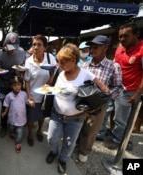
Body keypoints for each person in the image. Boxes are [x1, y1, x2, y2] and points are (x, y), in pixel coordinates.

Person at [45, 43, 109, 174]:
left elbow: (102, 87)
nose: (59, 64)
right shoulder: (59, 71)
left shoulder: (85, 74)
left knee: (69, 143)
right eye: (58, 61)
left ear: (73, 61)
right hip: (56, 114)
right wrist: (47, 89)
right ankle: (53, 151)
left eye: (63, 62)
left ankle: (63, 160)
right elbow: (50, 85)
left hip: (75, 118)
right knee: (51, 138)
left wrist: (103, 92)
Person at [77, 35, 123, 163]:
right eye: (90, 47)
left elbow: (118, 87)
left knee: (91, 130)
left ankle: (84, 151)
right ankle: (76, 144)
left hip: (99, 104)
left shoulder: (114, 66)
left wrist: (107, 95)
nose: (91, 50)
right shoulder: (85, 65)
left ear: (105, 47)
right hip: (83, 100)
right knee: (78, 124)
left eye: (95, 47)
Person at [105, 23, 143, 150]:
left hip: (129, 91)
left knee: (121, 118)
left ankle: (119, 140)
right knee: (109, 112)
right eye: (120, 36)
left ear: (136, 34)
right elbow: (114, 66)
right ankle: (113, 133)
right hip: (114, 87)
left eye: (125, 36)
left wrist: (137, 93)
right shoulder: (120, 48)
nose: (121, 39)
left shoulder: (142, 49)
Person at [24, 34, 57, 147]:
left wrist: (51, 80)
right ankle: (29, 134)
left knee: (42, 115)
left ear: (45, 47)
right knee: (31, 117)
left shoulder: (50, 58)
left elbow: (54, 72)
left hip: (46, 94)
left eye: (39, 45)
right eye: (34, 45)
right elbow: (27, 80)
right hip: (33, 94)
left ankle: (39, 130)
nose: (36, 47)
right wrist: (29, 96)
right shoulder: (28, 61)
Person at [0, 32, 26, 138]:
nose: (13, 50)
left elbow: (23, 66)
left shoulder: (21, 52)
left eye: (15, 47)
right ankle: (4, 125)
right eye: (10, 47)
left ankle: (18, 123)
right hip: (3, 82)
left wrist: (21, 72)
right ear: (4, 44)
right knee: (5, 106)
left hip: (16, 81)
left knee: (18, 104)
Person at [1, 76, 32, 153]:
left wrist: (31, 103)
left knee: (19, 131)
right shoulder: (9, 95)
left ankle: (18, 143)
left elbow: (27, 102)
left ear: (21, 85)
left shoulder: (24, 94)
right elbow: (6, 105)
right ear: (11, 86)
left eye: (19, 85)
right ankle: (12, 133)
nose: (17, 87)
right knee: (11, 128)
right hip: (12, 117)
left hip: (21, 118)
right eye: (14, 85)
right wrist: (5, 112)